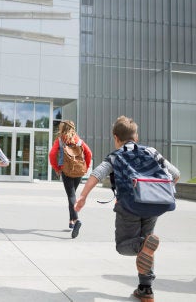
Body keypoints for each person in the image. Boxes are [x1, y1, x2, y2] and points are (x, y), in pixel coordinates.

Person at [74, 116, 179, 302]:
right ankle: (146, 289)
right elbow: (176, 174)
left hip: (128, 207)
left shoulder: (115, 156)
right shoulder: (152, 151)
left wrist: (83, 196)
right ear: (136, 136)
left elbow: (97, 173)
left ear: (116, 137)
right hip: (153, 206)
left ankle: (142, 246)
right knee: (148, 244)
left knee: (125, 246)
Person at [48, 120, 92, 238]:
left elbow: (52, 155)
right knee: (72, 196)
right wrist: (86, 167)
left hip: (66, 171)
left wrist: (57, 168)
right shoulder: (79, 140)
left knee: (71, 196)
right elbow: (89, 153)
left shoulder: (60, 140)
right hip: (78, 172)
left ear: (62, 129)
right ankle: (71, 221)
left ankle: (76, 220)